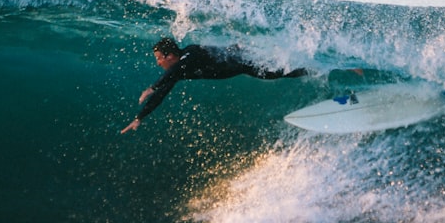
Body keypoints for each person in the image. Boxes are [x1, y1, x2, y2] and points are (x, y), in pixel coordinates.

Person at [121, 37, 308, 133]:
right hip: (242, 63)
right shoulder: (178, 71)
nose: (158, 63)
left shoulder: (189, 54)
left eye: (159, 59)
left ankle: (311, 68)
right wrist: (140, 117)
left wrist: (151, 87)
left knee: (274, 73)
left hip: (243, 59)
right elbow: (162, 93)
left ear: (170, 56)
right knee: (276, 72)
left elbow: (176, 70)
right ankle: (308, 67)